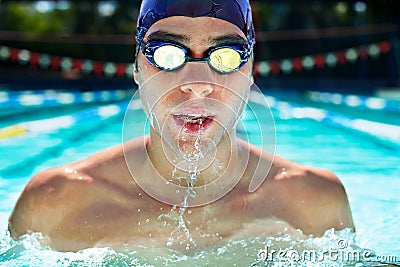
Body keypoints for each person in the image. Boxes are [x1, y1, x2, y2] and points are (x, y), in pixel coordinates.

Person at [8, 0, 354, 253]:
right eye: (167, 53)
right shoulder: (54, 205)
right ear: (136, 69)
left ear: (250, 73)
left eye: (226, 55)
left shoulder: (315, 202)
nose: (197, 84)